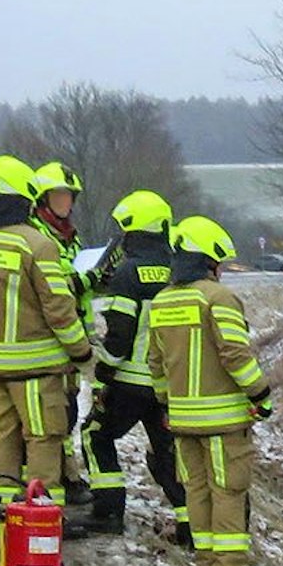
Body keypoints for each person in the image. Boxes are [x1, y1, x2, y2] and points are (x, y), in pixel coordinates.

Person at [0, 155, 92, 512]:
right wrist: (82, 353)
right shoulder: (37, 246)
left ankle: (1, 518)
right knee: (43, 440)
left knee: (0, 439)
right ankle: (43, 522)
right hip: (37, 372)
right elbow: (60, 311)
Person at [145, 216, 271, 566]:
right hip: (224, 420)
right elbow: (235, 354)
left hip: (183, 420)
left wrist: (167, 403)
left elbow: (156, 363)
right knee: (228, 490)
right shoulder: (220, 298)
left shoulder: (162, 301)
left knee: (196, 490)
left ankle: (204, 563)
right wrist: (260, 393)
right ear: (209, 261)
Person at [81, 189, 184, 539]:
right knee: (167, 450)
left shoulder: (128, 273)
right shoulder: (177, 270)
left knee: (95, 433)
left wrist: (104, 370)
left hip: (129, 380)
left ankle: (108, 512)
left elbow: (121, 333)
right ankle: (188, 522)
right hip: (167, 384)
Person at [30, 161, 94, 506]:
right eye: (60, 195)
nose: (66, 202)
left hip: (73, 330)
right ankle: (59, 480)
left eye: (70, 196)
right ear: (43, 198)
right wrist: (87, 280)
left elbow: (77, 285)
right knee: (57, 413)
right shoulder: (39, 236)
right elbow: (55, 287)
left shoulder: (69, 234)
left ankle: (68, 473)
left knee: (67, 410)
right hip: (52, 338)